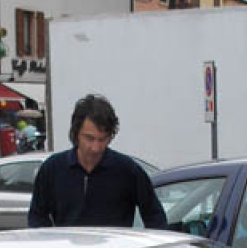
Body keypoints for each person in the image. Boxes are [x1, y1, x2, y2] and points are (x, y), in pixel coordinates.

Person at [27, 94, 167, 229]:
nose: (96, 148)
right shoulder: (52, 169)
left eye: (103, 139)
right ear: (76, 133)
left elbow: (155, 216)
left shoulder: (128, 171)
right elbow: (37, 218)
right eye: (89, 138)